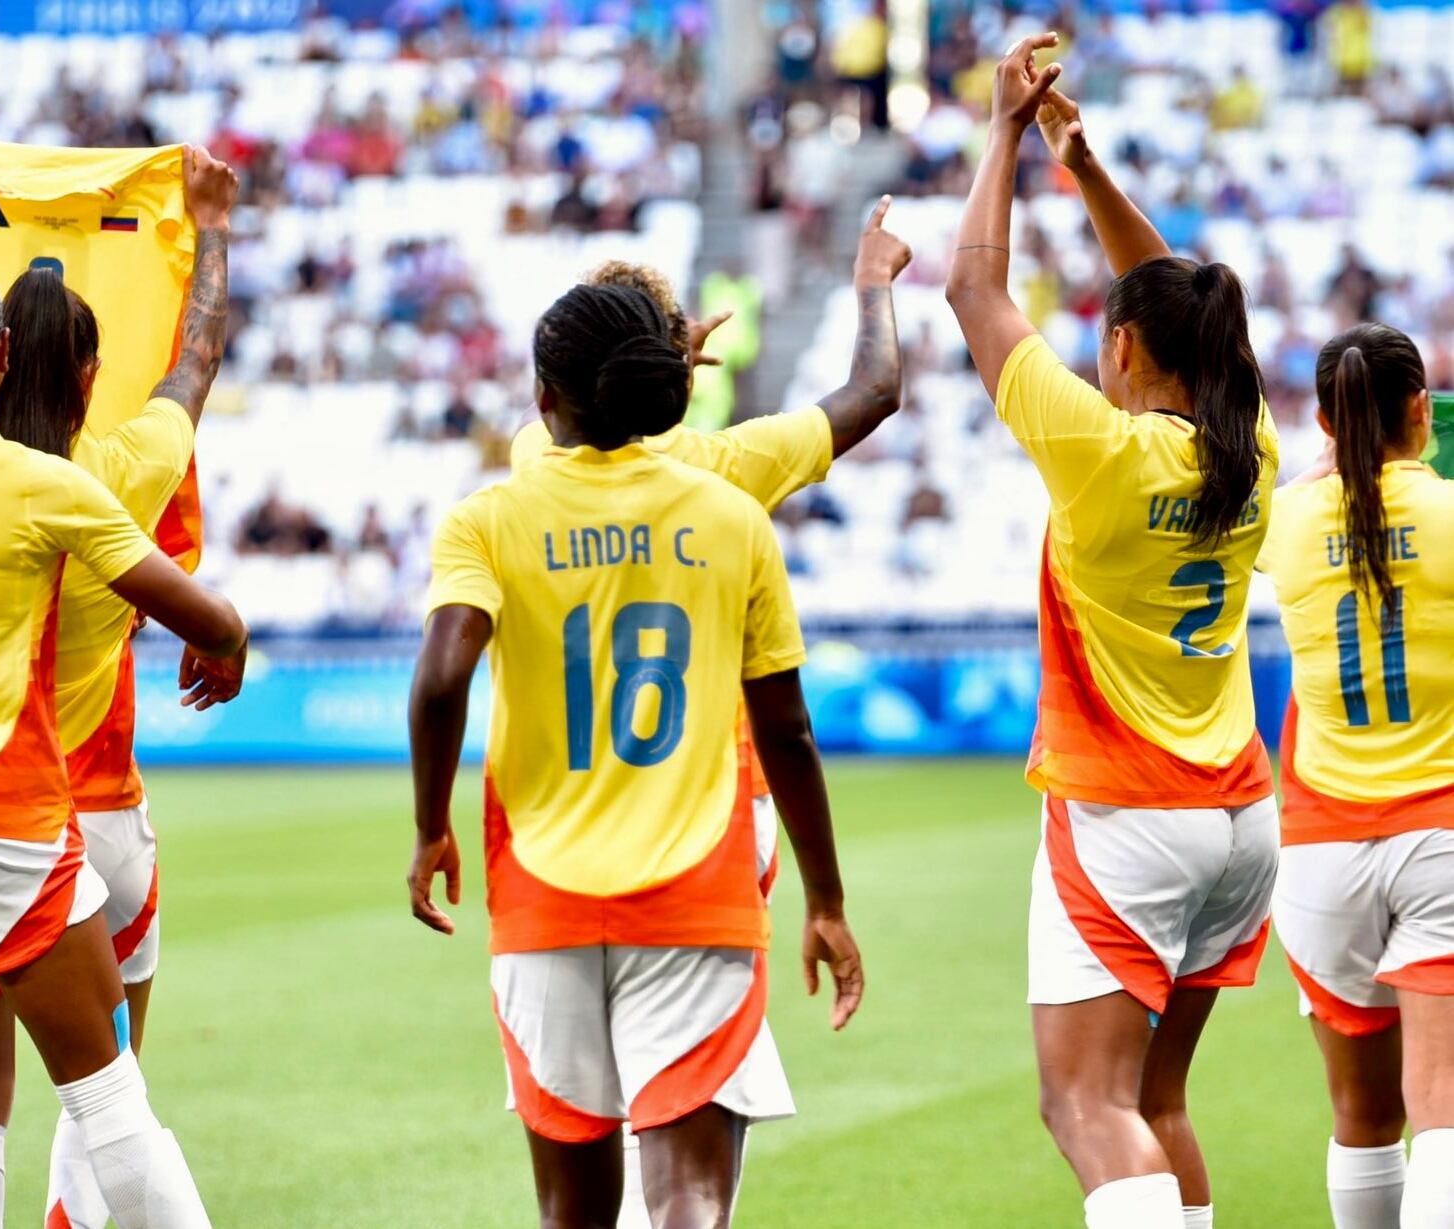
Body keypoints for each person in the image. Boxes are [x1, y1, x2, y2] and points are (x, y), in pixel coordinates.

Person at [408, 282, 863, 1228]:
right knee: (689, 1193)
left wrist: (429, 832)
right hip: (698, 887)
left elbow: (443, 679)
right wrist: (825, 895)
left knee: (572, 1212)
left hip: (543, 894)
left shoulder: (487, 519)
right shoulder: (733, 516)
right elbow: (786, 728)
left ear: (545, 397)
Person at [0, 117, 238, 1229]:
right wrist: (211, 228)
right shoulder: (112, 473)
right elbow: (197, 356)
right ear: (84, 368)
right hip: (89, 818)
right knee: (105, 1084)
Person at [511, 198, 910, 1229]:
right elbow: (874, 391)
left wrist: (663, 364)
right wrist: (870, 285)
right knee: (689, 1144)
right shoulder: (725, 475)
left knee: (580, 1171)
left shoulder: (528, 464)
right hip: (711, 829)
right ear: (672, 371)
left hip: (565, 840)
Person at [944, 38, 1280, 1229]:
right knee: (1157, 1099)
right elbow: (1196, 321)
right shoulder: (1255, 449)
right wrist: (1081, 170)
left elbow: (975, 295)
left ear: (1124, 351)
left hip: (1130, 817)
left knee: (1085, 1105)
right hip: (1241, 814)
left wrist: (998, 135)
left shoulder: (1100, 450)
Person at [1259, 324, 1454, 1229]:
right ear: (1421, 409)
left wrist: (1335, 453)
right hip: (1441, 835)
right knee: (1444, 1108)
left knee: (1363, 1119)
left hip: (1321, 855)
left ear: (1330, 424)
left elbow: (1305, 489)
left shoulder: (1290, 521)